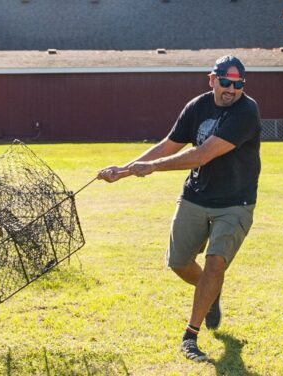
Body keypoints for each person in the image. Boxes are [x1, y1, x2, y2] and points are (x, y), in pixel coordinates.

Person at [97, 55, 261, 362]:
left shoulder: (246, 111)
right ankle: (210, 294)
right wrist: (125, 170)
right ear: (212, 79)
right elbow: (168, 145)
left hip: (235, 202)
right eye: (225, 82)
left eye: (238, 84)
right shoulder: (197, 107)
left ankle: (190, 336)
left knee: (215, 264)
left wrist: (153, 167)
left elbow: (202, 155)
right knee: (178, 263)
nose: (231, 90)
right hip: (195, 196)